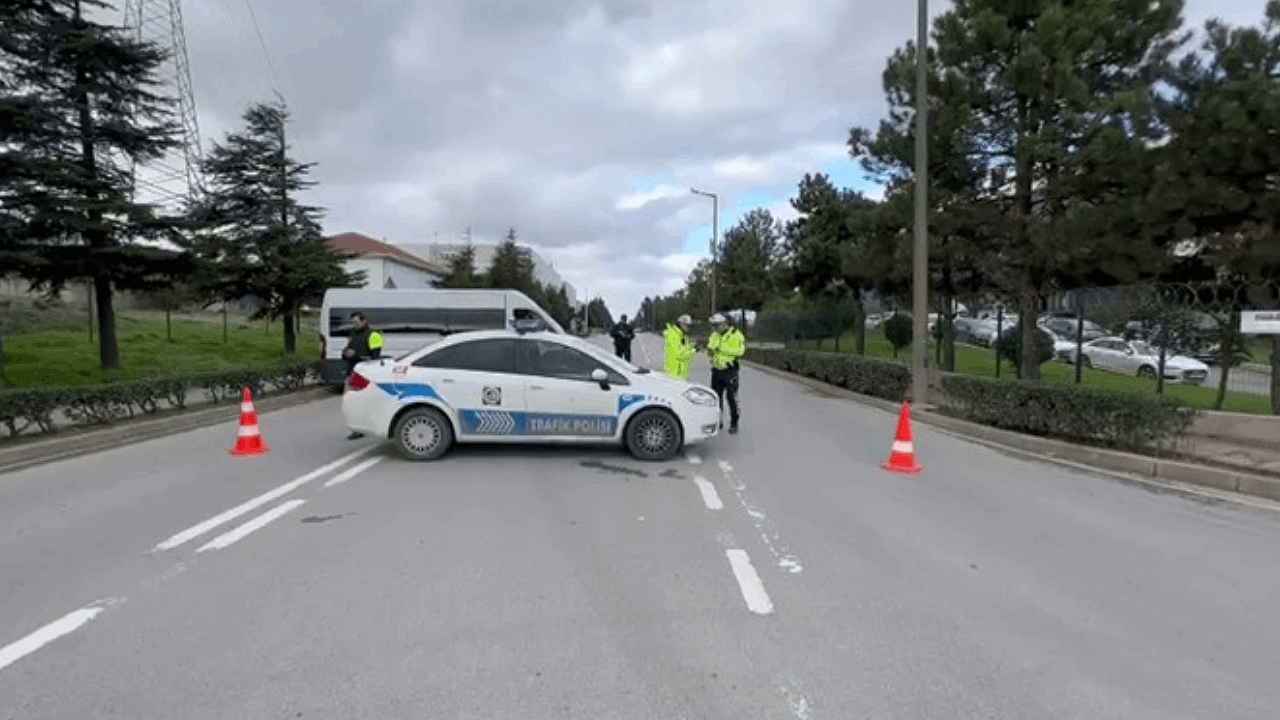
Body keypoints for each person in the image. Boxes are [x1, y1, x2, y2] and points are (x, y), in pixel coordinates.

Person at [342, 311, 383, 439]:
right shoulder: (353, 333)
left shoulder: (373, 334)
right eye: (352, 322)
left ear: (363, 320)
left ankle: (362, 428)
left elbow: (375, 356)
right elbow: (346, 350)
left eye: (356, 322)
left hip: (364, 373)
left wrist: (356, 356)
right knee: (350, 401)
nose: (354, 324)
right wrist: (346, 353)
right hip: (352, 371)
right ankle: (357, 428)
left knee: (358, 401)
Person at [706, 313, 745, 434]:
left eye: (716, 325)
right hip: (716, 370)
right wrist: (711, 351)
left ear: (724, 324)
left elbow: (740, 351)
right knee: (715, 398)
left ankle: (734, 423)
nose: (715, 328)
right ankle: (718, 421)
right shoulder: (714, 335)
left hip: (729, 370)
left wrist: (721, 349)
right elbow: (710, 349)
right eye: (713, 326)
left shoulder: (735, 335)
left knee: (731, 398)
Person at [663, 314, 696, 380]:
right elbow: (679, 354)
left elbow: (684, 348)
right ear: (682, 324)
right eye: (688, 326)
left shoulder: (681, 335)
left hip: (680, 373)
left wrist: (692, 345)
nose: (689, 328)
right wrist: (692, 350)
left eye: (690, 326)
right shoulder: (673, 335)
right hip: (674, 373)